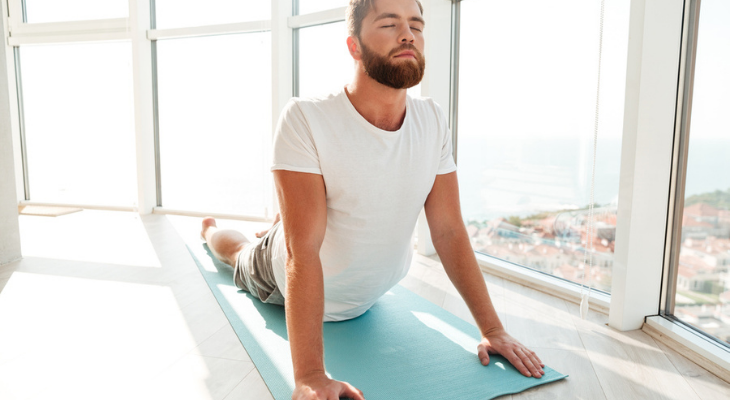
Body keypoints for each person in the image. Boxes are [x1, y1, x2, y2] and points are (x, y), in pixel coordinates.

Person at [201, 0, 545, 399]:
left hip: (368, 288)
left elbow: (449, 230)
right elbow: (302, 253)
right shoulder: (305, 117)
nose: (408, 35)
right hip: (282, 274)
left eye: (416, 25)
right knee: (240, 252)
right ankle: (212, 231)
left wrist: (492, 329)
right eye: (389, 24)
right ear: (354, 47)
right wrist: (310, 374)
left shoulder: (432, 118)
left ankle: (284, 219)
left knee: (300, 222)